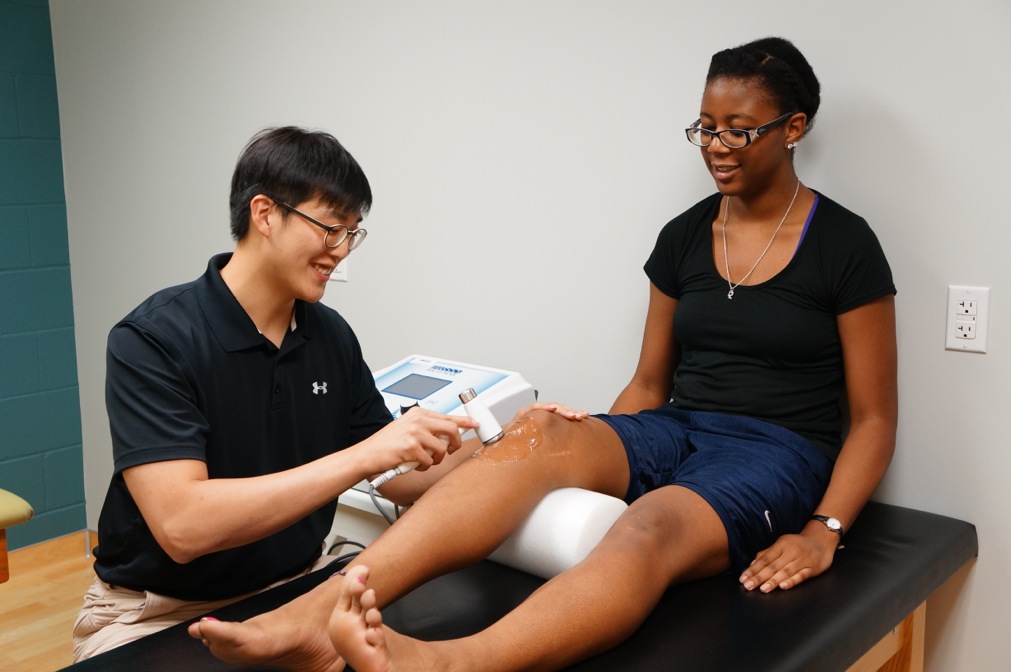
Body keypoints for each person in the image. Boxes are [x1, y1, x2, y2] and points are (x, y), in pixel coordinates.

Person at [189, 37, 898, 672]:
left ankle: (448, 667)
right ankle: (319, 614)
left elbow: (870, 420)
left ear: (793, 128)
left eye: (738, 131)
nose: (716, 145)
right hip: (680, 426)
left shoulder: (842, 244)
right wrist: (594, 439)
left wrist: (822, 531)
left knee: (644, 526)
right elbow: (650, 382)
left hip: (776, 449)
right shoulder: (683, 237)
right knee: (538, 429)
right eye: (705, 128)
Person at [72, 126, 492, 660]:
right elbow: (183, 526)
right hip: (156, 610)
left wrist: (510, 438)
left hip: (298, 585)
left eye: (351, 233)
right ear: (265, 214)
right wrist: (362, 457)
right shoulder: (154, 339)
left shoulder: (330, 335)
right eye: (330, 228)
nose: (339, 251)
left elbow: (401, 477)